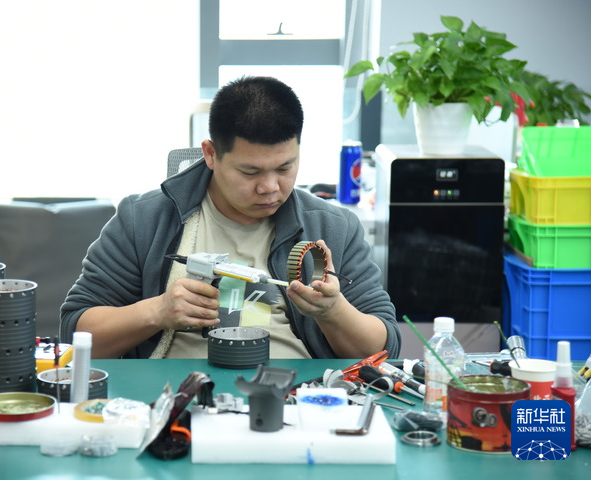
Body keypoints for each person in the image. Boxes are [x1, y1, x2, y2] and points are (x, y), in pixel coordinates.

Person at [60, 76, 400, 359]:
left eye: (285, 167)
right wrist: (157, 312)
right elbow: (75, 334)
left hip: (296, 398)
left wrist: (332, 311)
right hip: (177, 397)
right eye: (250, 172)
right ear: (211, 154)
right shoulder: (144, 220)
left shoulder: (332, 227)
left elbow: (384, 350)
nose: (270, 188)